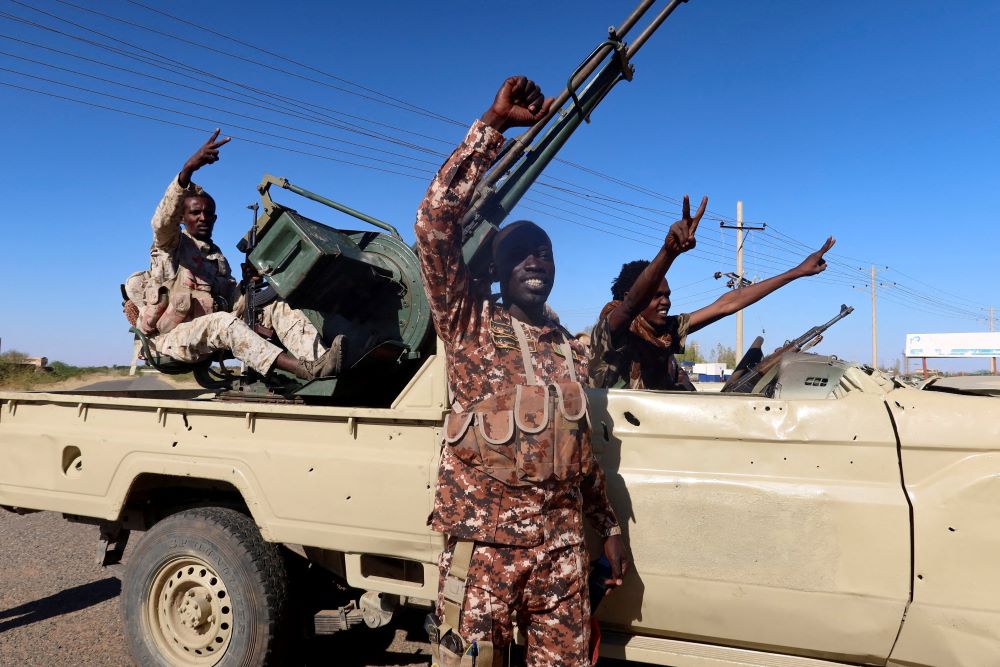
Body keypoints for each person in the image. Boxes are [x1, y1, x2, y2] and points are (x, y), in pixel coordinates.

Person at [414, 76, 628, 667]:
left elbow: (580, 450)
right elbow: (433, 227)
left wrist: (606, 526)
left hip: (560, 546)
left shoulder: (567, 348)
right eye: (519, 254)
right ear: (499, 271)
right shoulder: (467, 321)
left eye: (545, 253)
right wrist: (493, 126)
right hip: (482, 545)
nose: (535, 260)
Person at [127, 130, 342, 380]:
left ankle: (322, 363)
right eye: (195, 213)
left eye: (208, 214)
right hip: (169, 338)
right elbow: (161, 223)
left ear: (215, 218)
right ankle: (303, 371)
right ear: (182, 219)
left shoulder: (216, 258)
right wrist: (187, 171)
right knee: (222, 323)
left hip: (206, 331)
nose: (203, 218)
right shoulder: (170, 246)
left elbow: (230, 303)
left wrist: (247, 288)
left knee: (275, 305)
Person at [590, 194, 835, 390]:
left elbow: (726, 304)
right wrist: (669, 252)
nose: (666, 302)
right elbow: (632, 303)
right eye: (656, 295)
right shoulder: (613, 329)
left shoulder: (665, 331)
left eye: (667, 295)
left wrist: (795, 272)